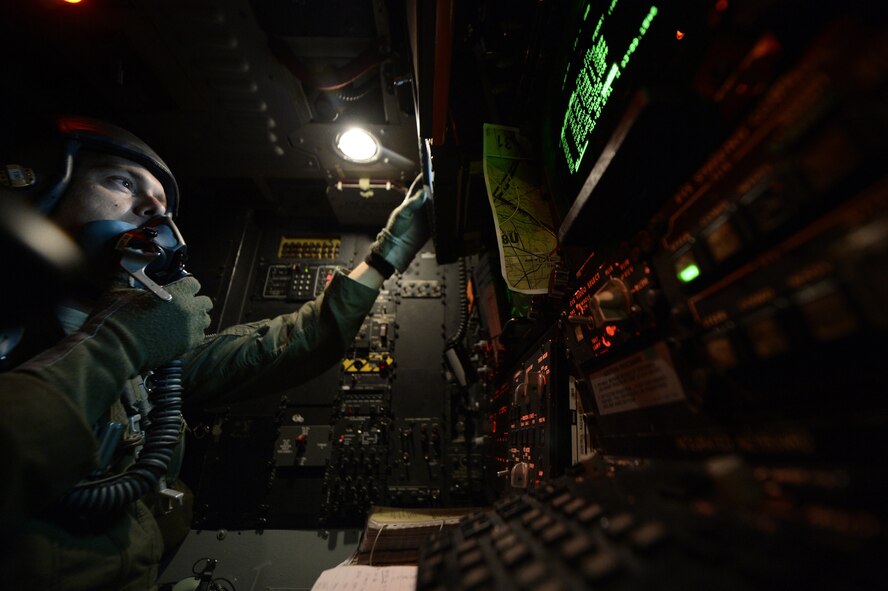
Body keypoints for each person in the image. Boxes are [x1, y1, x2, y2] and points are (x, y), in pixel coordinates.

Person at [0, 115, 430, 590]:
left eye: (163, 205)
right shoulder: (105, 341)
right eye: (121, 182)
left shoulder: (146, 358)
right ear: (36, 190)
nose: (153, 210)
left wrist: (391, 250)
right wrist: (118, 343)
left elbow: (285, 345)